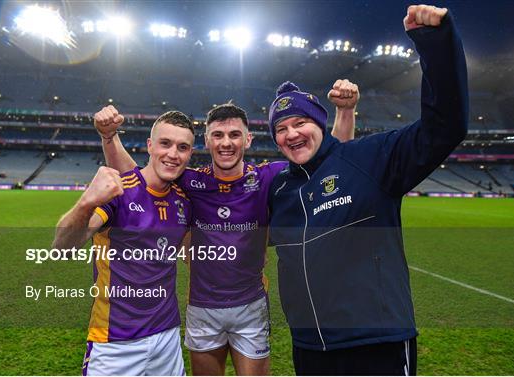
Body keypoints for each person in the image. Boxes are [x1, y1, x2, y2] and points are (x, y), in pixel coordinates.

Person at [95, 80, 359, 375]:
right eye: (217, 135)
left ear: (247, 140)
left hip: (250, 306)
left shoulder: (268, 177)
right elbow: (138, 179)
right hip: (202, 307)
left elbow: (329, 163)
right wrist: (110, 138)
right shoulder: (190, 181)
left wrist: (345, 112)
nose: (226, 142)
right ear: (206, 141)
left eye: (235, 135)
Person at [267, 5, 468, 376]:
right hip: (309, 349)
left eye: (300, 122)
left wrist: (436, 45)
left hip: (377, 345)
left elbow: (445, 127)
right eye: (281, 129)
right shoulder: (279, 190)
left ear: (320, 124)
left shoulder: (371, 157)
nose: (292, 133)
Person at [52, 111, 195, 375]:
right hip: (114, 342)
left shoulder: (184, 201)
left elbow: (192, 254)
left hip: (167, 337)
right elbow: (61, 250)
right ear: (150, 146)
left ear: (190, 154)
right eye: (165, 143)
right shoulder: (120, 190)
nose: (173, 154)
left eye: (182, 147)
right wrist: (86, 203)